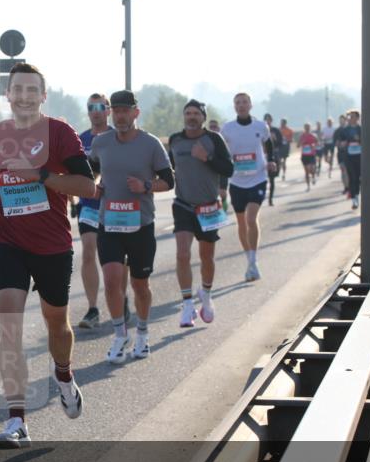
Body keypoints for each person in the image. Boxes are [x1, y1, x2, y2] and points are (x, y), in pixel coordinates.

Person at [0, 63, 95, 448]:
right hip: (7, 240)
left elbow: (87, 187)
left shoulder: (59, 133)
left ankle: (63, 374)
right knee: (9, 325)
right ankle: (16, 420)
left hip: (52, 244)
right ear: (7, 95)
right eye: (17, 89)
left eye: (31, 90)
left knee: (56, 323)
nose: (23, 96)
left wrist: (41, 177)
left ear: (43, 96)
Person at [89, 90, 174, 362]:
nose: (121, 115)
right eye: (117, 110)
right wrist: (95, 186)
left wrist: (146, 186)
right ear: (111, 112)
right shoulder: (101, 143)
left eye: (126, 110)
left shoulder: (150, 144)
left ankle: (143, 333)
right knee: (112, 282)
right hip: (110, 223)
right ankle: (119, 334)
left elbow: (169, 181)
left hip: (141, 225)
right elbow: (90, 173)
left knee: (139, 285)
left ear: (136, 112)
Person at [168, 100, 233, 327]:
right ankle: (187, 304)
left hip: (208, 207)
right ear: (184, 116)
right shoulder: (175, 140)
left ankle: (205, 293)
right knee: (182, 254)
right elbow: (170, 169)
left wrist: (207, 158)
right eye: (188, 113)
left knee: (207, 257)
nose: (192, 117)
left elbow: (229, 169)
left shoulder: (213, 139)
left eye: (196, 113)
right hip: (183, 205)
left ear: (203, 117)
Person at [221, 93, 277, 282]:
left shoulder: (260, 126)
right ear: (234, 106)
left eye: (244, 102)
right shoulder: (227, 129)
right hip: (236, 181)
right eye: (238, 103)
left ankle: (253, 260)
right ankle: (250, 261)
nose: (241, 105)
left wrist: (272, 161)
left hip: (257, 178)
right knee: (241, 223)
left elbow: (269, 144)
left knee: (251, 218)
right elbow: (222, 155)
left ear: (250, 105)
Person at [76, 93, 109, 329]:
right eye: (91, 107)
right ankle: (93, 308)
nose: (95, 111)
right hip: (89, 205)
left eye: (100, 107)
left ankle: (123, 298)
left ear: (107, 110)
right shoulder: (80, 139)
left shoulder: (118, 136)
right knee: (88, 252)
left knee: (116, 258)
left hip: (116, 204)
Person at [339, 109, 362, 209]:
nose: (350, 118)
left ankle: (357, 193)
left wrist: (359, 141)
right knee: (352, 177)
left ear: (357, 118)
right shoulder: (345, 130)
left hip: (360, 156)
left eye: (352, 116)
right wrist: (344, 143)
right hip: (349, 156)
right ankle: (354, 199)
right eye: (349, 117)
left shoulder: (361, 129)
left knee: (359, 177)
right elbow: (340, 143)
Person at [263, 114, 284, 206]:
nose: (267, 122)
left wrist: (274, 138)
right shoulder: (261, 129)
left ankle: (270, 199)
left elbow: (281, 143)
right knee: (262, 179)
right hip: (263, 156)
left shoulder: (275, 130)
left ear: (271, 121)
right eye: (266, 120)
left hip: (274, 155)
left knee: (272, 179)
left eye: (269, 120)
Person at [298, 122, 320, 190]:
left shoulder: (313, 135)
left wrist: (314, 145)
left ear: (310, 128)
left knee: (312, 169)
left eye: (308, 127)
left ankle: (313, 176)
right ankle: (308, 186)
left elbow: (318, 143)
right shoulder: (302, 136)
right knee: (306, 171)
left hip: (311, 155)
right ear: (304, 128)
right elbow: (298, 145)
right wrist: (302, 142)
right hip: (304, 155)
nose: (307, 128)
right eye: (306, 127)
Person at [333, 114, 350, 194]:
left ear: (345, 121)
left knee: (349, 171)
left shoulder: (349, 130)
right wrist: (338, 144)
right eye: (340, 120)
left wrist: (346, 143)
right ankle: (346, 187)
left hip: (349, 154)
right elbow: (335, 142)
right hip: (340, 154)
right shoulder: (337, 131)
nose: (341, 122)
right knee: (343, 171)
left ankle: (350, 186)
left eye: (343, 120)